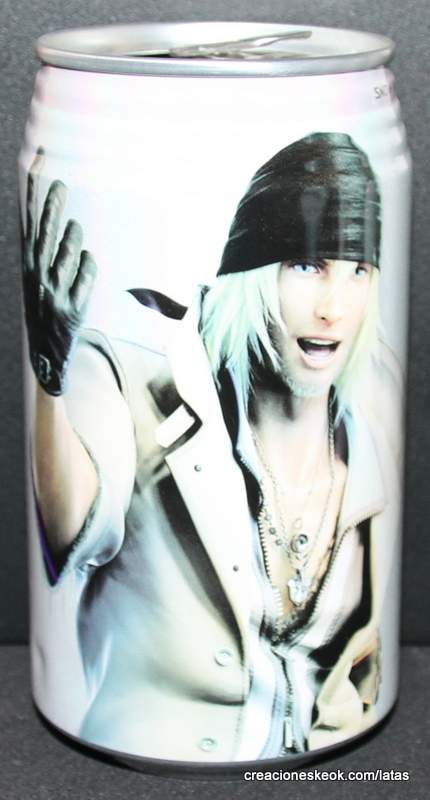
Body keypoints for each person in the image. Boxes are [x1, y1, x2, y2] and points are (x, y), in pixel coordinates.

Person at [22, 133, 403, 763]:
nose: (334, 308)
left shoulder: (371, 430)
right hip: (142, 761)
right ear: (250, 274)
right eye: (307, 265)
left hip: (327, 771)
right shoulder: (131, 380)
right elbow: (70, 531)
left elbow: (359, 661)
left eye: (357, 271)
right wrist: (48, 380)